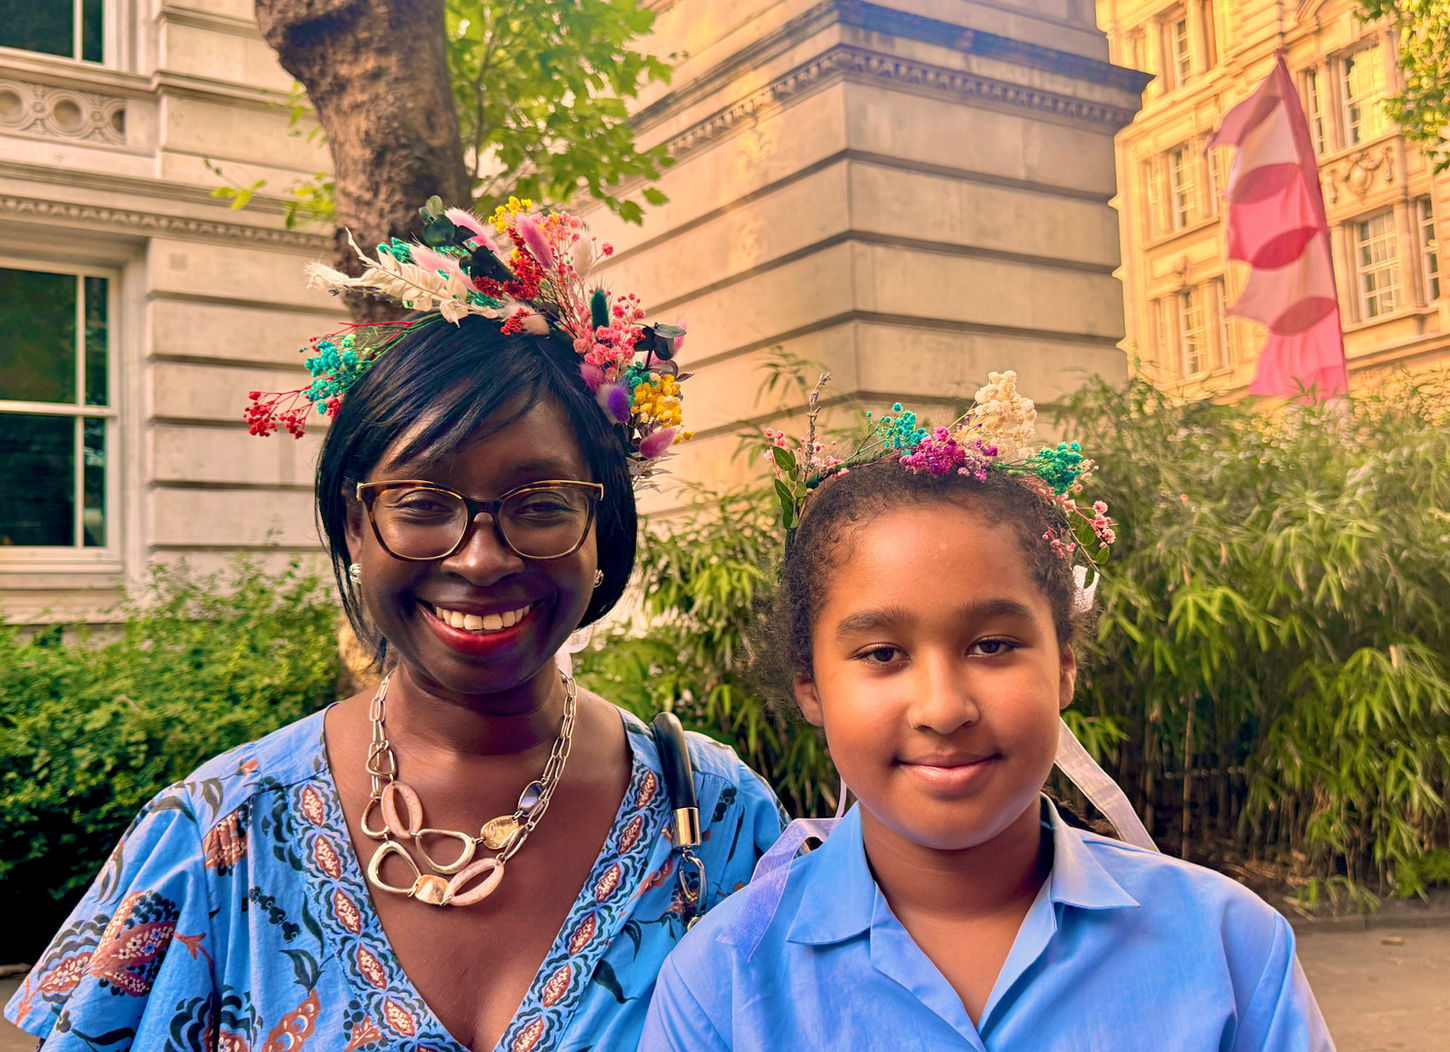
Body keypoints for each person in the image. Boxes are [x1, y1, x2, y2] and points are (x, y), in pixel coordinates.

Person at [6, 198, 783, 1052]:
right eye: (420, 504)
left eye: (541, 503)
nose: (481, 560)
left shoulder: (717, 818)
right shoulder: (218, 835)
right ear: (352, 525)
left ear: (605, 530)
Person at [641, 373, 1333, 1050]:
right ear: (810, 687)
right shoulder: (722, 987)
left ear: (1064, 664)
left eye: (993, 645)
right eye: (882, 654)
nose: (943, 709)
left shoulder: (1230, 949)